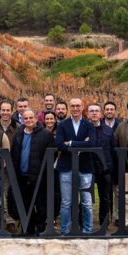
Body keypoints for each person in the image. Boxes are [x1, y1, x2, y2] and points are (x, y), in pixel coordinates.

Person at [55, 98, 95, 234]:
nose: (75, 108)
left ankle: (87, 231)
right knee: (66, 203)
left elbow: (91, 144)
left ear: (82, 107)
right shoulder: (62, 125)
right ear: (69, 108)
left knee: (87, 203)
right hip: (66, 167)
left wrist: (70, 143)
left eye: (78, 106)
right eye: (72, 106)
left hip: (85, 167)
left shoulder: (89, 125)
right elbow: (59, 144)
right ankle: (65, 231)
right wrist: (81, 143)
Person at [10, 109, 54, 234]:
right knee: (25, 205)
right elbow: (14, 153)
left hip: (39, 177)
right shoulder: (19, 134)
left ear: (36, 119)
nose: (28, 120)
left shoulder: (46, 134)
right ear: (23, 120)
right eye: (26, 118)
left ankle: (40, 229)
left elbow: (51, 156)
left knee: (40, 205)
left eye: (31, 118)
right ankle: (28, 229)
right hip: (22, 177)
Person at [88, 103, 115, 229]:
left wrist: (111, 168)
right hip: (88, 168)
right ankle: (83, 221)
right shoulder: (84, 130)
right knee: (84, 196)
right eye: (91, 111)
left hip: (105, 169)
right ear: (88, 114)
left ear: (101, 114)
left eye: (96, 111)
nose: (94, 113)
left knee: (105, 198)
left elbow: (113, 150)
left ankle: (104, 223)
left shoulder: (109, 131)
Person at [0, 100, 20, 233]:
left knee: (10, 195)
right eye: (3, 110)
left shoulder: (18, 127)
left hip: (12, 167)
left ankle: (10, 220)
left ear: (12, 111)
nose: (5, 113)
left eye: (7, 110)